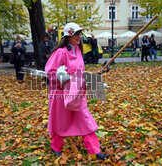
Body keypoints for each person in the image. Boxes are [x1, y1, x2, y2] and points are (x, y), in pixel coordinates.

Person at [45, 22, 109, 160]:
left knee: (84, 119)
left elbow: (80, 72)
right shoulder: (60, 52)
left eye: (79, 34)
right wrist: (63, 77)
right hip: (61, 93)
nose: (78, 37)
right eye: (76, 34)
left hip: (77, 92)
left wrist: (97, 73)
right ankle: (55, 146)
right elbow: (50, 72)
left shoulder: (79, 50)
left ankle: (95, 150)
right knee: (60, 120)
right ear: (68, 36)